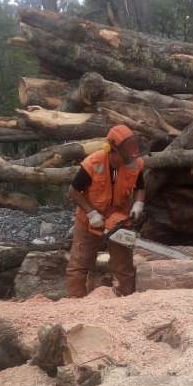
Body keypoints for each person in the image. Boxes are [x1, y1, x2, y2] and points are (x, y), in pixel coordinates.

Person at [65, 124, 146, 298]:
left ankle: (125, 301)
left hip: (118, 219)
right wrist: (91, 213)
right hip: (88, 220)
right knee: (79, 264)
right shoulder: (93, 163)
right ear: (112, 149)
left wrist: (138, 204)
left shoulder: (135, 163)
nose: (128, 161)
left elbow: (140, 187)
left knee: (123, 266)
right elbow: (73, 192)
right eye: (124, 156)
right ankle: (73, 303)